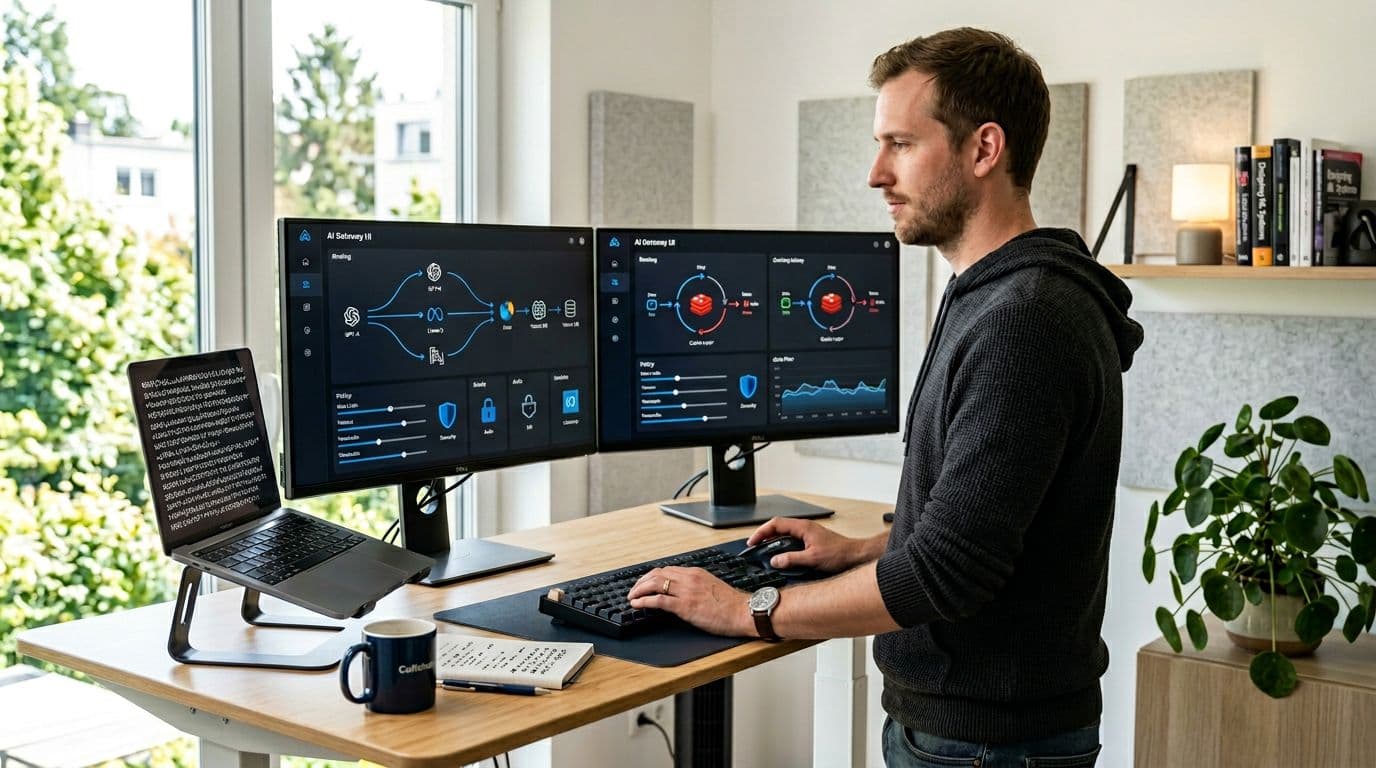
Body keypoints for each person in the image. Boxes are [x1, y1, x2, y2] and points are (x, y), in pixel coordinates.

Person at [628, 27, 1143, 767]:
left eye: (900, 144)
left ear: (984, 149)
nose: (876, 173)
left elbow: (947, 574)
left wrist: (747, 608)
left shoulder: (1023, 322)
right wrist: (868, 548)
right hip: (976, 733)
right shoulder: (998, 296)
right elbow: (989, 526)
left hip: (984, 744)